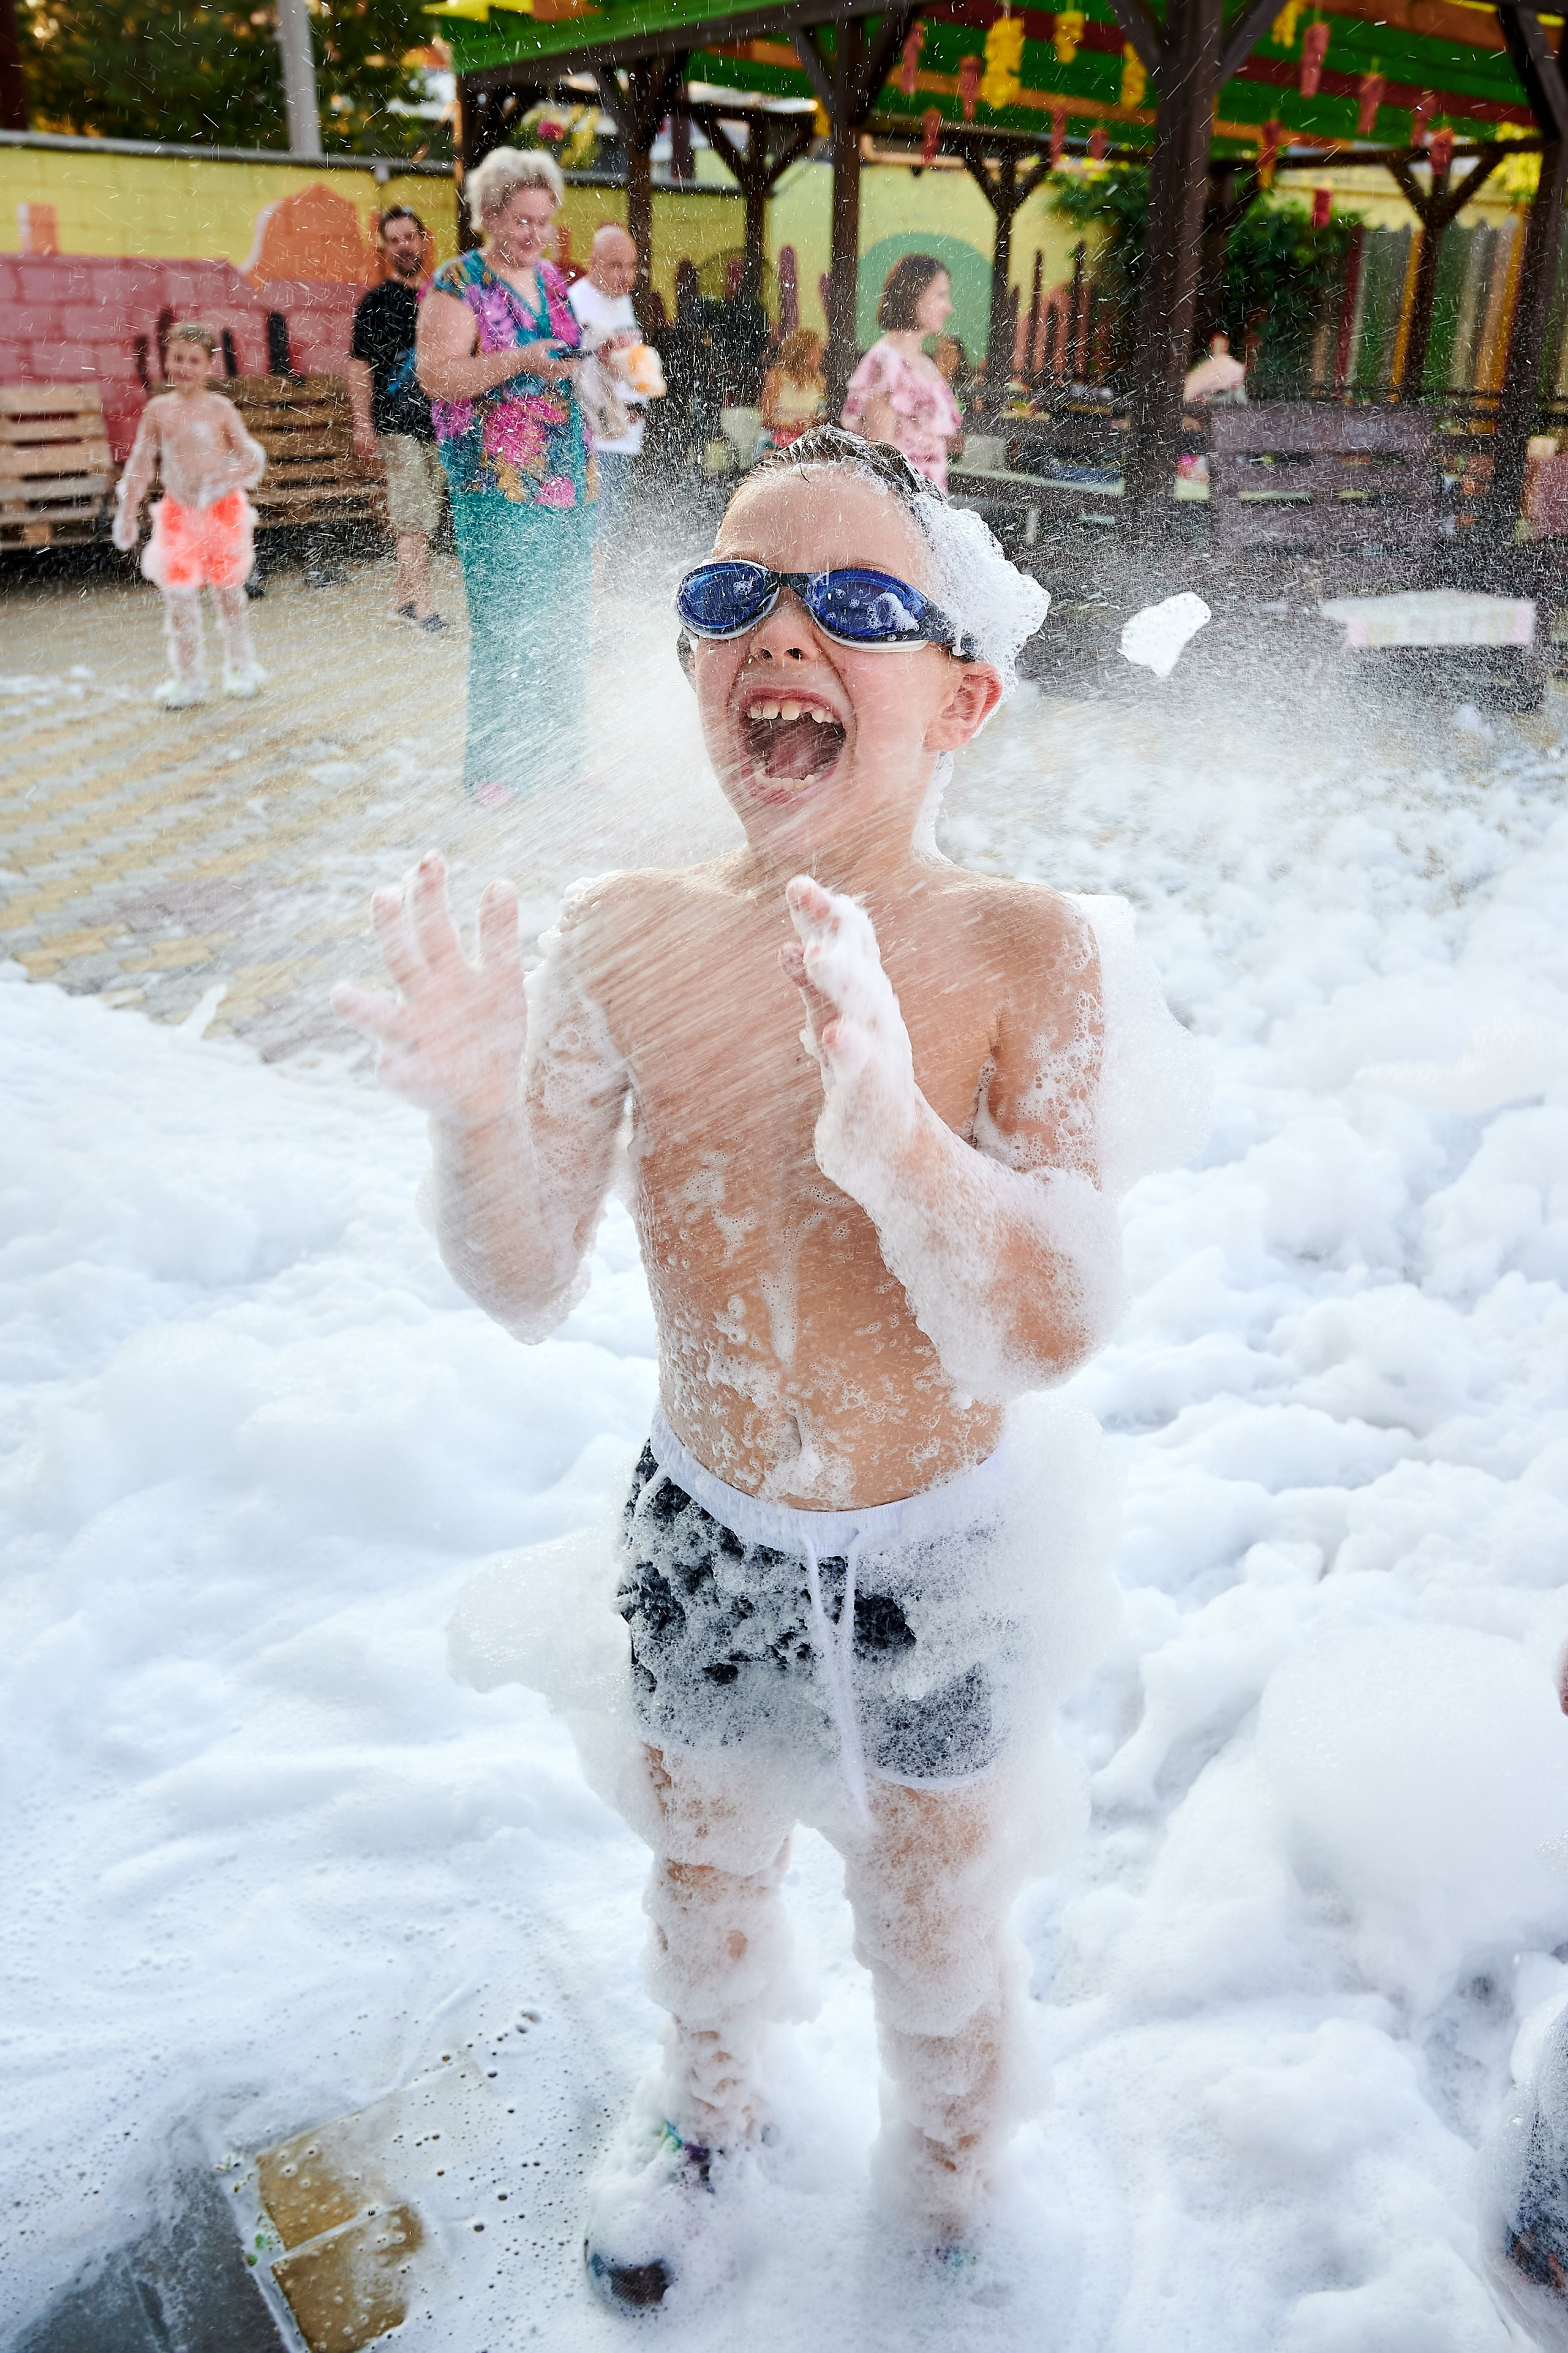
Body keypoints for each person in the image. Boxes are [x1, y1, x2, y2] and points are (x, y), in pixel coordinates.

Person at [334, 426, 1205, 2308]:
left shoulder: (1024, 950)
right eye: (735, 592)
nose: (784, 630)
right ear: (693, 666)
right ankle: (710, 2112)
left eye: (858, 600)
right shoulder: (627, 934)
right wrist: (476, 1121)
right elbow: (524, 1272)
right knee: (704, 1868)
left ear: (960, 698)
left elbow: (1056, 1321)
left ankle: (956, 2175)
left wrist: (901, 1148)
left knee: (938, 1920)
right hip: (706, 1528)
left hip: (940, 1557)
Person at [416, 147, 591, 804]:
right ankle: (494, 768)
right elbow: (437, 377)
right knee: (509, 628)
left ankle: (563, 759)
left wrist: (591, 361)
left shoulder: (551, 280)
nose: (535, 234)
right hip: (497, 483)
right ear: (489, 215)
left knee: (567, 625)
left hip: (569, 475)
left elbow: (563, 358)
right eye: (522, 220)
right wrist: (520, 359)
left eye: (544, 221)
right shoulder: (457, 283)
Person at [112, 322, 266, 709]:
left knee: (228, 595)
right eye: (178, 358)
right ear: (166, 360)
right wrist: (127, 511)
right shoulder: (159, 410)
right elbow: (141, 463)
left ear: (209, 365)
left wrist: (225, 478)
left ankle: (240, 666)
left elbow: (249, 457)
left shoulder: (219, 409)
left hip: (222, 511)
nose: (184, 367)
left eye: (194, 361)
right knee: (180, 599)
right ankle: (189, 678)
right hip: (179, 515)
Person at [348, 205, 450, 633]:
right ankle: (424, 608)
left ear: (424, 239)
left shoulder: (442, 297)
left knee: (423, 516)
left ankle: (401, 601)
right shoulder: (376, 303)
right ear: (385, 248)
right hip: (395, 424)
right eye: (394, 240)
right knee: (413, 520)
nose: (403, 246)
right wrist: (362, 423)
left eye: (409, 237)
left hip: (438, 423)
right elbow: (359, 367)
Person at [842, 256, 965, 493]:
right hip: (903, 503)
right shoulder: (886, 363)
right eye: (940, 295)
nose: (949, 308)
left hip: (925, 500)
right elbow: (880, 462)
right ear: (914, 295)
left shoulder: (923, 362)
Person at [568, 224, 646, 541]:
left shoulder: (622, 300)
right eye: (616, 266)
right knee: (594, 533)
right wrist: (597, 355)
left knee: (611, 532)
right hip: (594, 438)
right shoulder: (575, 301)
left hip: (625, 434)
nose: (626, 276)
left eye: (631, 266)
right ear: (593, 263)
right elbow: (562, 367)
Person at [759, 328, 826, 449]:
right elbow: (766, 419)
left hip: (806, 442)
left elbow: (820, 415)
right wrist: (793, 427)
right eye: (817, 350)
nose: (821, 356)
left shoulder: (818, 380)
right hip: (775, 443)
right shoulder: (777, 376)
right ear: (804, 351)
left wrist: (812, 424)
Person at [1183, 330, 1248, 407]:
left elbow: (1191, 388)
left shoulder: (1228, 365)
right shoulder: (1210, 365)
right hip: (1216, 404)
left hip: (1221, 403)